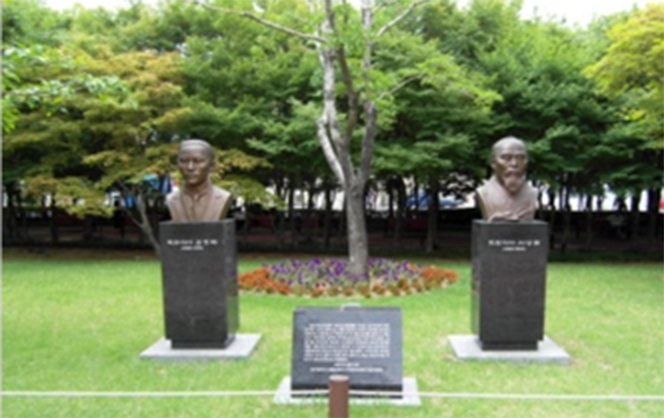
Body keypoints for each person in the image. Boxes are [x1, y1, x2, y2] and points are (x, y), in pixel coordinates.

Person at [166, 139, 232, 222]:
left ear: (212, 166)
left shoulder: (222, 198)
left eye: (198, 161)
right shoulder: (172, 199)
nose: (190, 167)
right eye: (184, 161)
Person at [475, 136, 538, 222]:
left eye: (521, 158)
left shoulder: (532, 193)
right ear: (493, 162)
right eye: (506, 158)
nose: (514, 164)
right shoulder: (484, 193)